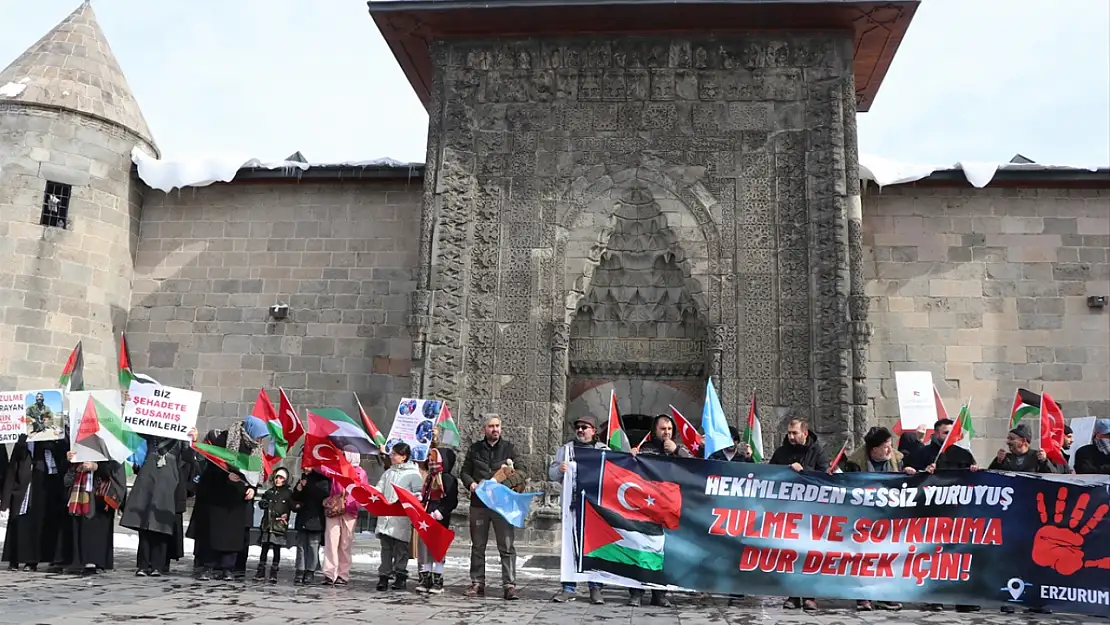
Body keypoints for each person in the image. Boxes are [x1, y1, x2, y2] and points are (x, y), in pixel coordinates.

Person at [906, 418, 980, 613]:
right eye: (946, 433)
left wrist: (975, 471)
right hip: (933, 513)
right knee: (935, 555)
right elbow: (910, 477)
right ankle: (934, 597)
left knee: (960, 556)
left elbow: (975, 478)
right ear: (936, 434)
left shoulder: (963, 454)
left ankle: (963, 598)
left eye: (952, 432)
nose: (950, 436)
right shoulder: (922, 453)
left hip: (958, 513)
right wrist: (923, 473)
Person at [842, 427, 917, 611]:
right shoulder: (855, 463)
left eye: (890, 446)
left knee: (887, 556)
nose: (889, 450)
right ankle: (863, 596)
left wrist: (909, 474)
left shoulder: (897, 460)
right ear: (873, 449)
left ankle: (885, 595)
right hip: (862, 516)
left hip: (888, 516)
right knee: (863, 556)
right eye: (885, 447)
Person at [624, 413, 689, 607]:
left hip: (668, 509)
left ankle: (659, 594)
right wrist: (632, 456)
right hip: (646, 508)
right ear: (655, 430)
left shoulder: (680, 449)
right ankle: (636, 593)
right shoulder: (646, 448)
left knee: (664, 553)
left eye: (669, 429)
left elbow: (695, 464)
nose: (666, 433)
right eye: (663, 429)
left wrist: (677, 451)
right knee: (641, 551)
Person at [461, 414, 527, 600]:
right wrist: (471, 484)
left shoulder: (509, 449)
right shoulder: (475, 449)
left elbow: (522, 472)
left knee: (506, 545)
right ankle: (477, 583)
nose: (495, 429)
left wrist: (502, 486)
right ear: (484, 429)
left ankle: (509, 584)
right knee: (478, 545)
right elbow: (464, 471)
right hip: (479, 504)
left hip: (501, 505)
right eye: (491, 426)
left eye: (497, 426)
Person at [768, 417, 828, 611]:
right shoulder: (781, 452)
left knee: (810, 554)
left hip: (812, 512)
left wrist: (804, 471)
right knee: (791, 554)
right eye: (789, 433)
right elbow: (768, 475)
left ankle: (810, 596)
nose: (791, 436)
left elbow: (825, 476)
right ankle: (793, 595)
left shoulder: (817, 451)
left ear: (805, 433)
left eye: (795, 433)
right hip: (788, 511)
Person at [549, 415, 609, 604]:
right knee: (570, 547)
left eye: (585, 427)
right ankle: (568, 587)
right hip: (573, 508)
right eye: (578, 427)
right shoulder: (566, 450)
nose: (581, 430)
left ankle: (595, 588)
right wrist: (560, 469)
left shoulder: (604, 451)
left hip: (595, 509)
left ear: (594, 431)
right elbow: (551, 473)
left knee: (595, 549)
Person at [187, 424, 259, 581]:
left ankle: (227, 568)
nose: (261, 439)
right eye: (260, 435)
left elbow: (255, 474)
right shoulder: (226, 438)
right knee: (214, 533)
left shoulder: (255, 448)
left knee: (232, 536)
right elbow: (213, 461)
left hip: (238, 499)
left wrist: (253, 488)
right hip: (218, 495)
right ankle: (208, 566)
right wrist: (226, 475)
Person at [121, 434, 197, 576]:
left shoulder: (180, 438)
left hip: (168, 482)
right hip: (148, 480)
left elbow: (188, 458)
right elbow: (138, 428)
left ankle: (158, 564)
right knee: (144, 525)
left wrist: (192, 439)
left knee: (162, 525)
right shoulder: (152, 435)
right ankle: (143, 564)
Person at [50, 453, 127, 575]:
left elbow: (114, 469)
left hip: (98, 493)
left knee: (95, 527)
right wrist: (69, 459)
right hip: (77, 491)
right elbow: (63, 473)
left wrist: (96, 467)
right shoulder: (77, 444)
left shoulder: (108, 447)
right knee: (75, 525)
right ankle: (75, 560)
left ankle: (94, 560)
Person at [1, 436, 70, 571]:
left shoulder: (57, 440)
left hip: (48, 483)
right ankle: (16, 558)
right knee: (21, 519)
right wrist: (5, 498)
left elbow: (62, 460)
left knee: (43, 521)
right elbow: (14, 465)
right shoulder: (24, 441)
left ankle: (37, 559)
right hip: (26, 483)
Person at [375, 442, 422, 590]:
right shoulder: (388, 472)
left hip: (401, 516)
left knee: (401, 549)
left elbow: (419, 493)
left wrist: (408, 498)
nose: (392, 456)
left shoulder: (413, 473)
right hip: (386, 516)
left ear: (404, 457)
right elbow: (379, 488)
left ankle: (400, 575)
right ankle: (384, 576)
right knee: (386, 548)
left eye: (395, 454)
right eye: (392, 454)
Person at [416, 447, 458, 595]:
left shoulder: (446, 478)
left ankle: (438, 580)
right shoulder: (429, 477)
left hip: (439, 518)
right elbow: (426, 493)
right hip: (426, 516)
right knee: (425, 550)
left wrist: (440, 512)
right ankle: (425, 578)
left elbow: (451, 500)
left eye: (433, 458)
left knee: (438, 551)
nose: (430, 461)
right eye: (430, 458)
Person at [322, 452, 366, 586]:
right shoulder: (336, 468)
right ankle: (329, 574)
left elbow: (363, 491)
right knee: (331, 541)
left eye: (344, 454)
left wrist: (352, 503)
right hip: (335, 509)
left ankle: (343, 574)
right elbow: (323, 469)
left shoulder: (360, 472)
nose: (342, 456)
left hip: (350, 511)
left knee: (345, 544)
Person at [291, 465, 330, 584]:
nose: (305, 468)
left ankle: (310, 571)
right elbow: (295, 497)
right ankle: (300, 570)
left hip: (316, 518)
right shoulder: (303, 479)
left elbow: (322, 495)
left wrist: (306, 486)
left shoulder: (322, 479)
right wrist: (298, 490)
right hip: (303, 517)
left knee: (313, 546)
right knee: (301, 546)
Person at [255, 467, 293, 583]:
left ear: (285, 480)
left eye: (281, 478)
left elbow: (293, 504)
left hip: (279, 526)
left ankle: (274, 571)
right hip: (267, 524)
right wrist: (263, 503)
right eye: (277, 477)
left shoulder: (288, 493)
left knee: (277, 549)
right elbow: (262, 502)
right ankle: (261, 570)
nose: (278, 480)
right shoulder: (269, 492)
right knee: (264, 548)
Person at [988, 423, 1064, 474]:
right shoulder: (1006, 458)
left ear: (1023, 441)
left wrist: (1044, 461)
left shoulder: (1037, 457)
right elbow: (990, 476)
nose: (1008, 442)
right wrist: (998, 462)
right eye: (1008, 438)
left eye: (1011, 439)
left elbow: (1053, 476)